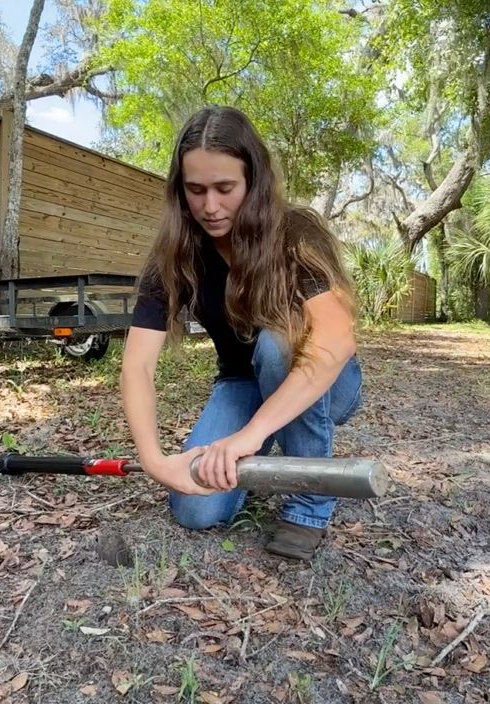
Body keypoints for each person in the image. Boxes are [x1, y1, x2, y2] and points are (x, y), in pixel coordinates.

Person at [120, 106, 363, 561]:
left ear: (252, 181)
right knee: (196, 508)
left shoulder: (293, 232)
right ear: (180, 190)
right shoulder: (175, 255)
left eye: (225, 188)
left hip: (325, 381)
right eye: (196, 191)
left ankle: (308, 507)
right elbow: (137, 365)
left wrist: (249, 435)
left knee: (277, 343)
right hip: (240, 381)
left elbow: (337, 337)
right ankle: (261, 461)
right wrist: (154, 460)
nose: (210, 206)